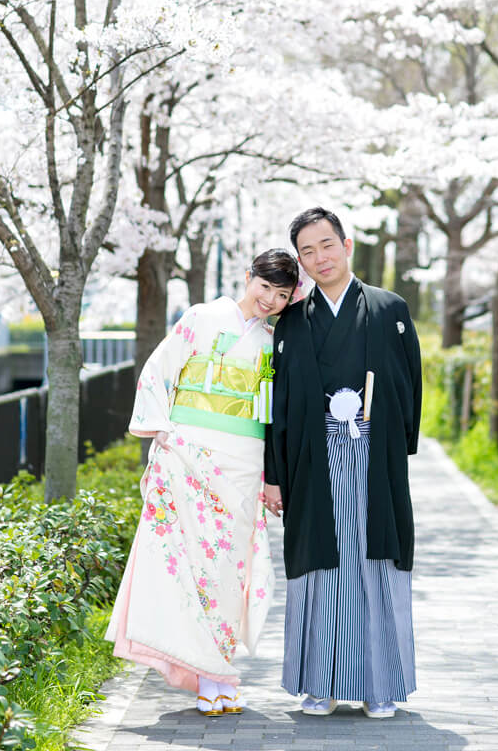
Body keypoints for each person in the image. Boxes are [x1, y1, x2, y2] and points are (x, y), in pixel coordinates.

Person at [106, 249, 299, 716]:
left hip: (244, 462)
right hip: (190, 457)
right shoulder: (201, 317)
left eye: (282, 294)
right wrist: (164, 429)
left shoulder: (276, 340)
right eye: (264, 287)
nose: (270, 299)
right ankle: (211, 676)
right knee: (190, 567)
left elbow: (276, 416)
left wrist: (273, 477)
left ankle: (216, 669)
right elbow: (157, 371)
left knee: (229, 572)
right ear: (246, 276)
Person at [264, 208, 421, 719]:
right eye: (306, 252)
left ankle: (380, 685)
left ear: (347, 244)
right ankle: (319, 684)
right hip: (314, 457)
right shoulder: (290, 321)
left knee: (373, 563)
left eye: (326, 245)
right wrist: (276, 474)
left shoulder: (388, 309)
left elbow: (410, 387)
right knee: (321, 568)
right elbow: (278, 406)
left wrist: (394, 448)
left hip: (373, 455)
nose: (319, 258)